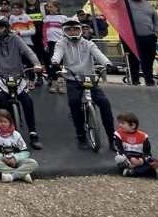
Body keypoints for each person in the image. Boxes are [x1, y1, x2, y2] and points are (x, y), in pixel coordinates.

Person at [49, 18, 115, 150]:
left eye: (75, 29)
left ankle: (112, 139)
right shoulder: (61, 43)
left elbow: (99, 55)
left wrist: (107, 63)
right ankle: (81, 136)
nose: (72, 31)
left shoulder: (88, 43)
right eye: (69, 29)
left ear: (80, 30)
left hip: (89, 78)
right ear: (64, 31)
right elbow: (57, 54)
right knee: (74, 103)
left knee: (104, 103)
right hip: (73, 80)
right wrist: (55, 62)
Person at [0, 16, 44, 149]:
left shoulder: (15, 38)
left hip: (18, 76)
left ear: (6, 27)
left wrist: (36, 63)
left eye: (1, 27)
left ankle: (33, 133)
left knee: (27, 100)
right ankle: (6, 132)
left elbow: (28, 52)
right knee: (2, 100)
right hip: (1, 76)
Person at [0, 109, 39, 183]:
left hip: (16, 162)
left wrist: (15, 158)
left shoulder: (16, 134)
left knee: (33, 163)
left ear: (10, 122)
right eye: (1, 121)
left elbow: (25, 152)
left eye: (5, 122)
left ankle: (11, 176)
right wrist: (1, 157)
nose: (3, 124)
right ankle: (23, 175)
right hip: (2, 161)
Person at [123, 0, 158, 86]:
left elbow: (156, 19)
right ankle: (135, 81)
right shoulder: (125, 1)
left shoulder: (148, 5)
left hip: (149, 37)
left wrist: (156, 32)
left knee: (149, 60)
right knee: (133, 60)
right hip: (131, 37)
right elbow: (113, 6)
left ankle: (149, 80)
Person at [113, 111, 158, 178]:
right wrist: (130, 158)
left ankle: (132, 172)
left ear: (133, 125)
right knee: (119, 158)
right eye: (119, 123)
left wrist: (141, 161)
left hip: (139, 159)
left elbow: (147, 153)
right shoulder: (118, 134)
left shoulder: (143, 136)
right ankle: (143, 170)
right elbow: (119, 150)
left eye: (123, 123)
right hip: (127, 159)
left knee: (155, 163)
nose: (120, 125)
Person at [42, 0, 68, 93]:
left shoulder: (63, 18)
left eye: (50, 6)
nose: (48, 8)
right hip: (51, 43)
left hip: (61, 43)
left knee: (60, 63)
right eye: (48, 7)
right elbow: (44, 32)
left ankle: (61, 82)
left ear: (57, 7)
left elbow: (66, 31)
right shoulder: (46, 18)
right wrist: (45, 44)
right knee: (52, 62)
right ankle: (54, 81)